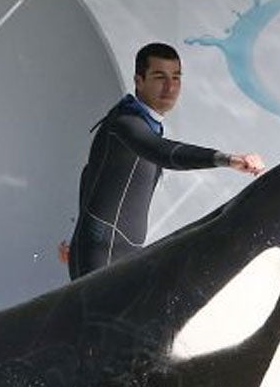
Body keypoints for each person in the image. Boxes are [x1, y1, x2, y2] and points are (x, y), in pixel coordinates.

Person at [61, 42, 265, 279]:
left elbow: (89, 176)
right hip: (102, 256)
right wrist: (227, 159)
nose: (170, 87)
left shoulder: (143, 123)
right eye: (159, 77)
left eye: (176, 78)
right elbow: (163, 153)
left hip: (111, 254)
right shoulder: (125, 123)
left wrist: (80, 238)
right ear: (139, 81)